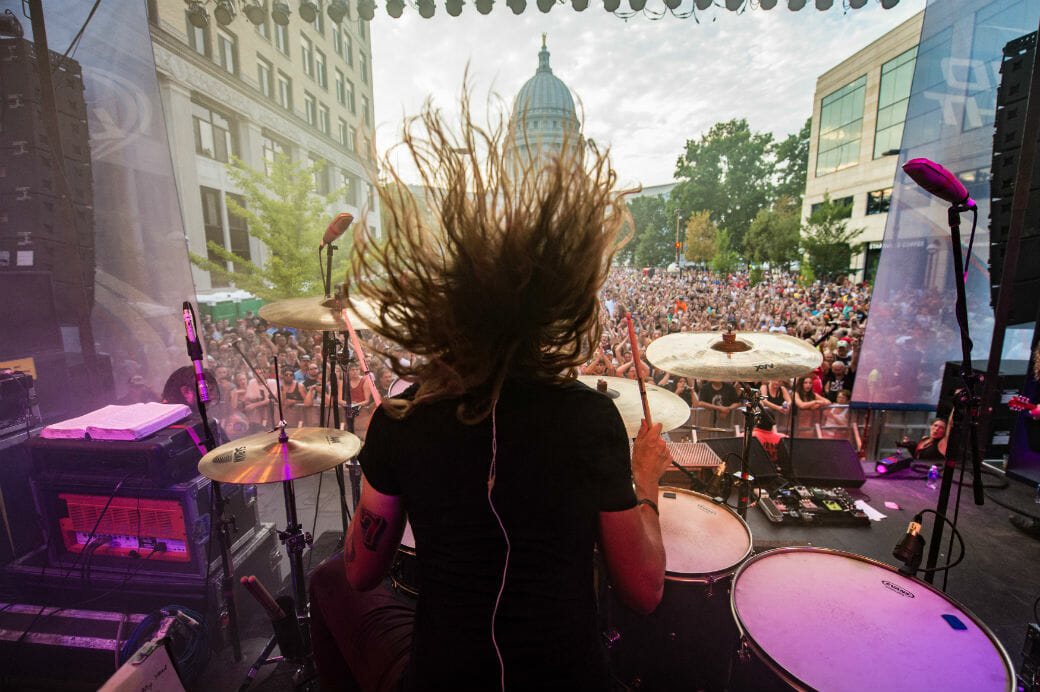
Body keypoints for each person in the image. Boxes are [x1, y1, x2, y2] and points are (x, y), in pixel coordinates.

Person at [308, 91, 670, 692]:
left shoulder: (403, 421)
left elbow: (360, 572)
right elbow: (644, 591)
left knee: (324, 581)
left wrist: (385, 468)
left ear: (442, 307)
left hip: (445, 677)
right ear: (555, 306)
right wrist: (647, 480)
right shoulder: (590, 418)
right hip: (570, 680)